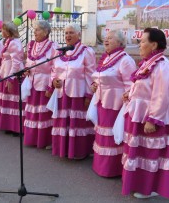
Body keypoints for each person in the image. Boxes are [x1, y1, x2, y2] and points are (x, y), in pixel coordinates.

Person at [121, 28, 169, 199]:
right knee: (140, 152)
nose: (140, 45)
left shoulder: (162, 65)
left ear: (153, 44)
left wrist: (153, 119)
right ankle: (138, 183)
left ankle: (150, 188)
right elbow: (142, 86)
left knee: (150, 153)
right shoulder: (148, 62)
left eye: (143, 41)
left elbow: (161, 94)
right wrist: (130, 93)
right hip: (139, 114)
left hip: (151, 117)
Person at [91, 30, 136, 177]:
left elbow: (131, 85)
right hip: (102, 101)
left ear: (120, 42)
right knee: (102, 134)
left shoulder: (125, 60)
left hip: (116, 104)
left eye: (110, 38)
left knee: (113, 135)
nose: (106, 40)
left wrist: (127, 98)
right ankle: (101, 166)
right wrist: (94, 84)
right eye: (105, 38)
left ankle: (113, 169)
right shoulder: (106, 58)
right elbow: (100, 77)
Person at [48, 23, 96, 159]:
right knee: (63, 122)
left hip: (78, 93)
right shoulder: (60, 51)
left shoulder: (86, 51)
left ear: (79, 34)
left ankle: (78, 151)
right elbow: (53, 70)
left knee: (77, 123)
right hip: (61, 93)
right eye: (66, 33)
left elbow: (90, 74)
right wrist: (54, 80)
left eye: (71, 33)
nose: (68, 36)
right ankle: (63, 149)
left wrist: (88, 95)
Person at [23, 20, 58, 148]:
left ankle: (45, 140)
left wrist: (51, 85)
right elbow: (28, 61)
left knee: (43, 113)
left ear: (45, 32)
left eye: (37, 29)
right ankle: (32, 139)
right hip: (32, 82)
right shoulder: (31, 44)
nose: (35, 32)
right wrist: (26, 69)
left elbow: (55, 67)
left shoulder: (53, 46)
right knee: (32, 112)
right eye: (35, 29)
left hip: (44, 82)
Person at [0, 22, 24, 136]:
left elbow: (16, 62)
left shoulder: (14, 43)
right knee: (8, 100)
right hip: (6, 71)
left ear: (9, 31)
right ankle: (9, 125)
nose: (2, 32)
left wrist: (11, 78)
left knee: (14, 101)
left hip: (12, 73)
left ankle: (17, 127)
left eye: (4, 30)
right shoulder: (8, 41)